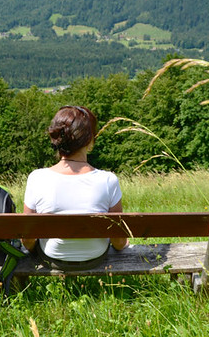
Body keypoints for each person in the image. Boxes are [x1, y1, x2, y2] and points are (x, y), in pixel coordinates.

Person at [22, 105, 129, 270]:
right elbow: (119, 243)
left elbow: (28, 241)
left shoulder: (37, 178)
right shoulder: (108, 180)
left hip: (52, 257)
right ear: (88, 140)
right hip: (96, 257)